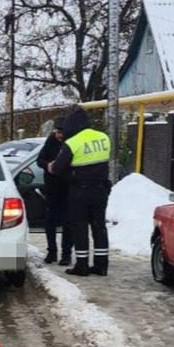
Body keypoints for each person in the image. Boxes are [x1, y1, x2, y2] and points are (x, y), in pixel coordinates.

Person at [48, 106, 111, 276]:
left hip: (79, 192)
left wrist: (51, 167)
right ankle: (101, 265)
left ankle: (82, 265)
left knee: (80, 227)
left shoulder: (72, 143)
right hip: (101, 189)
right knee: (99, 227)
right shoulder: (103, 137)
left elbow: (58, 169)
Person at [36, 118, 73, 265]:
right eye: (57, 132)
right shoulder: (50, 142)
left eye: (61, 133)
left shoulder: (71, 143)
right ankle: (52, 251)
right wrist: (47, 165)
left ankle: (66, 254)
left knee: (67, 223)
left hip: (67, 188)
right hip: (52, 188)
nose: (58, 135)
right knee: (50, 221)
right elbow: (40, 160)